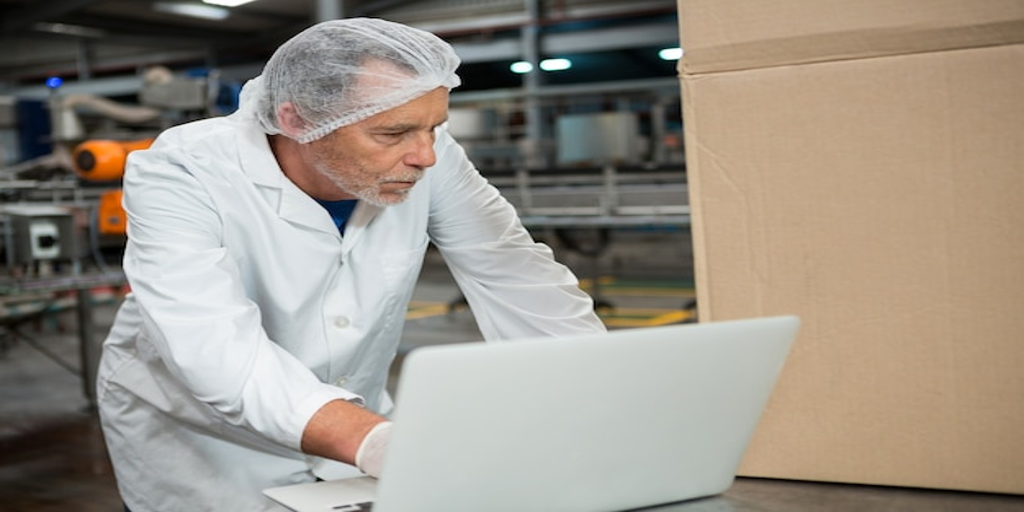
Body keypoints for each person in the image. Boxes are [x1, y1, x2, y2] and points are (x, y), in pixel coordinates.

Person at [96, 17, 606, 512]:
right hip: (205, 441)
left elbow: (514, 271)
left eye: (435, 127)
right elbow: (210, 343)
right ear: (297, 121)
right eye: (391, 133)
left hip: (355, 429)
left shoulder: (426, 152)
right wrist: (376, 442)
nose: (425, 155)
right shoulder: (184, 170)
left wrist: (600, 392)